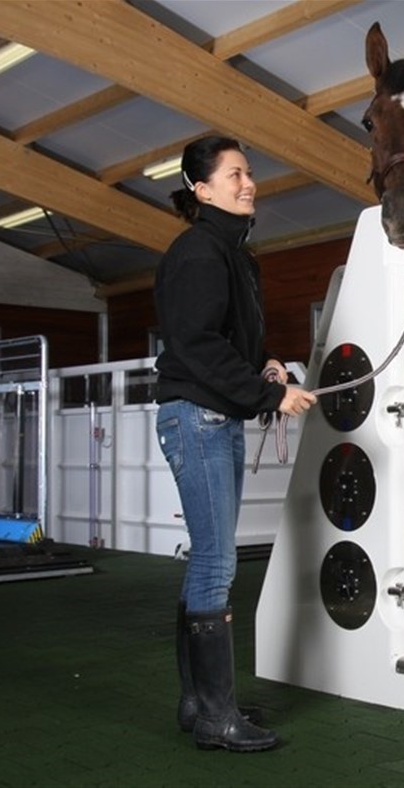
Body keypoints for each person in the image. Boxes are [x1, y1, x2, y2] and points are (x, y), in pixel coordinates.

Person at [153, 135, 315, 752]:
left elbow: (230, 339)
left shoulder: (237, 257)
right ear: (202, 190)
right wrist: (271, 396)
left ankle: (200, 704)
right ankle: (217, 718)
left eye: (249, 173)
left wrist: (267, 364)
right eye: (234, 175)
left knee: (209, 560)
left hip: (215, 416)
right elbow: (195, 344)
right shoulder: (198, 251)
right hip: (198, 418)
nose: (249, 183)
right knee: (218, 564)